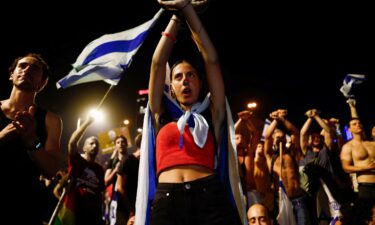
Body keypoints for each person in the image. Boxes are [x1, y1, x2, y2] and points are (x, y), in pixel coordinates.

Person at [136, 0, 246, 224]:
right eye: (178, 77)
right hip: (168, 200)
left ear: (200, 82)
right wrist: (177, 15)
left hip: (210, 197)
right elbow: (157, 63)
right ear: (172, 88)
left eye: (191, 75)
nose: (185, 80)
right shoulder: (161, 114)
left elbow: (212, 60)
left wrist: (189, 11)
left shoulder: (212, 113)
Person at [0, 53, 62, 225]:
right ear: (11, 74)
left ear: (42, 83)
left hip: (25, 208)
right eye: (22, 66)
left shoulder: (51, 120)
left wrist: (31, 140)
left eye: (35, 69)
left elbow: (51, 170)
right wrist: (4, 134)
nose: (27, 70)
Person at [66, 116, 105, 225]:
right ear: (84, 148)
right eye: (91, 143)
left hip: (93, 216)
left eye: (97, 144)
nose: (95, 145)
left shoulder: (100, 169)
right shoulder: (77, 161)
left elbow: (100, 193)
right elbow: (72, 143)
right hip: (75, 213)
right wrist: (86, 123)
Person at [340, 99, 375, 199]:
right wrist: (367, 168)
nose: (358, 125)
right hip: (366, 185)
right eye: (354, 124)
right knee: (368, 214)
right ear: (349, 129)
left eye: (359, 123)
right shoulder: (348, 146)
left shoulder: (372, 143)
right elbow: (346, 168)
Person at [116, 133, 141, 222]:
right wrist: (131, 209)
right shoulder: (128, 160)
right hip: (125, 210)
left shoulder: (143, 162)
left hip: (137, 208)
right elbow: (119, 187)